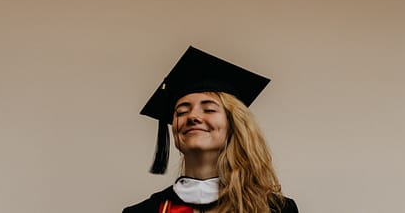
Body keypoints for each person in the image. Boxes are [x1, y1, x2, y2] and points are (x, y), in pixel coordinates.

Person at [123, 46, 298, 213]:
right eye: (182, 111)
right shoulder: (145, 211)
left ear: (234, 125)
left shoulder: (275, 209)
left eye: (209, 109)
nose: (192, 117)